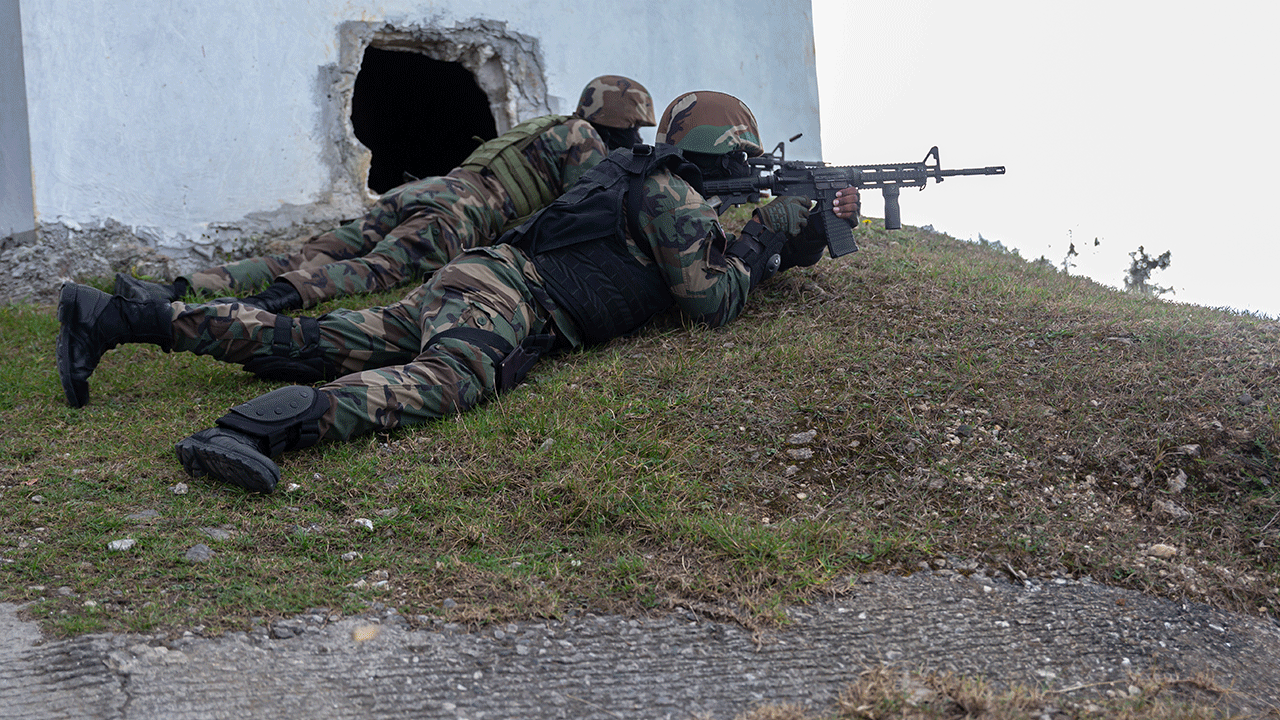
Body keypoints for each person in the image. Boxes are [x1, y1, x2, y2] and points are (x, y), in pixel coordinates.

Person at [57, 90, 860, 494]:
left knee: (320, 339)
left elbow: (707, 259)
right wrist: (769, 232)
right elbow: (713, 299)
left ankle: (124, 315)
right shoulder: (670, 196)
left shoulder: (641, 180)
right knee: (448, 380)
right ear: (727, 152)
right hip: (507, 302)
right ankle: (248, 435)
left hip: (477, 275)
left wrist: (792, 238)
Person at [113, 75, 658, 313]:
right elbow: (586, 207)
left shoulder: (550, 125)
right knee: (374, 271)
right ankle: (250, 307)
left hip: (429, 189)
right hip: (459, 215)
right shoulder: (585, 141)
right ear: (616, 122)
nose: (634, 141)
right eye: (634, 131)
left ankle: (177, 288)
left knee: (309, 251)